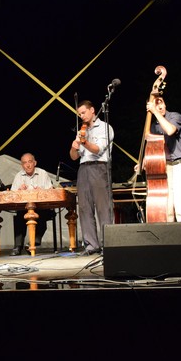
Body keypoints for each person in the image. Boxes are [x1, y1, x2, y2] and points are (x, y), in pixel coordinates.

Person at [69, 100, 114, 255]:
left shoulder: (105, 128)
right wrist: (74, 147)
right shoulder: (82, 131)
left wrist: (84, 142)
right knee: (84, 207)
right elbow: (74, 157)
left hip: (99, 167)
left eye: (83, 112)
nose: (81, 116)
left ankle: (108, 244)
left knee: (103, 207)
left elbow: (97, 150)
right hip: (83, 168)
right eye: (79, 114)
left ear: (92, 110)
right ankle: (91, 245)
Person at [146, 96, 181, 222]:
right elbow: (153, 147)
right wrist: (145, 161)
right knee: (167, 207)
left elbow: (170, 130)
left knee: (179, 204)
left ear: (165, 104)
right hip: (164, 166)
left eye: (161, 102)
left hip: (178, 164)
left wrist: (155, 112)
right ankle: (170, 234)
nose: (159, 106)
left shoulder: (175, 116)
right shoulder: (154, 127)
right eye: (155, 104)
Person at [9, 152, 55, 256]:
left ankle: (33, 243)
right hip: (23, 207)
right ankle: (18, 247)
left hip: (41, 207)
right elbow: (11, 195)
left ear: (35, 163)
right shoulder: (18, 176)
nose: (28, 165)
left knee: (41, 215)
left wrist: (42, 191)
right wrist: (19, 191)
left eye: (30, 162)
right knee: (19, 216)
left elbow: (51, 191)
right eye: (24, 163)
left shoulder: (43, 173)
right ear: (22, 165)